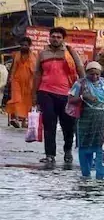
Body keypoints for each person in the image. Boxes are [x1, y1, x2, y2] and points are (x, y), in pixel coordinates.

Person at [33, 26, 85, 165]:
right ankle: (50, 154)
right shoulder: (43, 53)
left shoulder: (70, 52)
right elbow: (37, 73)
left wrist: (86, 87)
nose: (55, 39)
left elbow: (80, 69)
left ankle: (67, 150)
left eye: (58, 37)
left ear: (63, 39)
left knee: (68, 125)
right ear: (49, 38)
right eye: (53, 36)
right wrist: (35, 93)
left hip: (67, 94)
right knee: (49, 124)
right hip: (46, 92)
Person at [68, 62, 104, 179]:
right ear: (87, 73)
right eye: (91, 74)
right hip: (85, 121)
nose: (94, 77)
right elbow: (71, 100)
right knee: (84, 148)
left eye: (97, 74)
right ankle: (86, 175)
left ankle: (100, 176)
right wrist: (83, 97)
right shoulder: (80, 83)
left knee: (102, 147)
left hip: (102, 120)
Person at [6, 36, 35, 128]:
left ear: (29, 46)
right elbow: (12, 68)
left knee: (27, 102)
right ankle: (13, 118)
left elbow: (36, 70)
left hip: (29, 82)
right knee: (16, 99)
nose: (23, 47)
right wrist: (9, 79)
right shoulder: (16, 55)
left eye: (25, 45)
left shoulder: (34, 56)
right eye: (22, 45)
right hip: (16, 80)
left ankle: (24, 121)